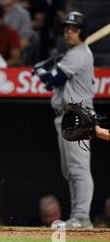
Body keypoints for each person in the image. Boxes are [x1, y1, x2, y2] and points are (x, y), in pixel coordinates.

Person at [34, 12, 95, 228]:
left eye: (74, 29)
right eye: (67, 28)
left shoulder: (79, 53)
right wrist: (50, 65)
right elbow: (57, 84)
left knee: (78, 169)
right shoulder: (71, 54)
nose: (69, 32)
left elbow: (52, 81)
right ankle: (77, 217)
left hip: (78, 116)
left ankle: (82, 217)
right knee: (70, 171)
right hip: (67, 116)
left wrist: (41, 70)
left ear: (82, 32)